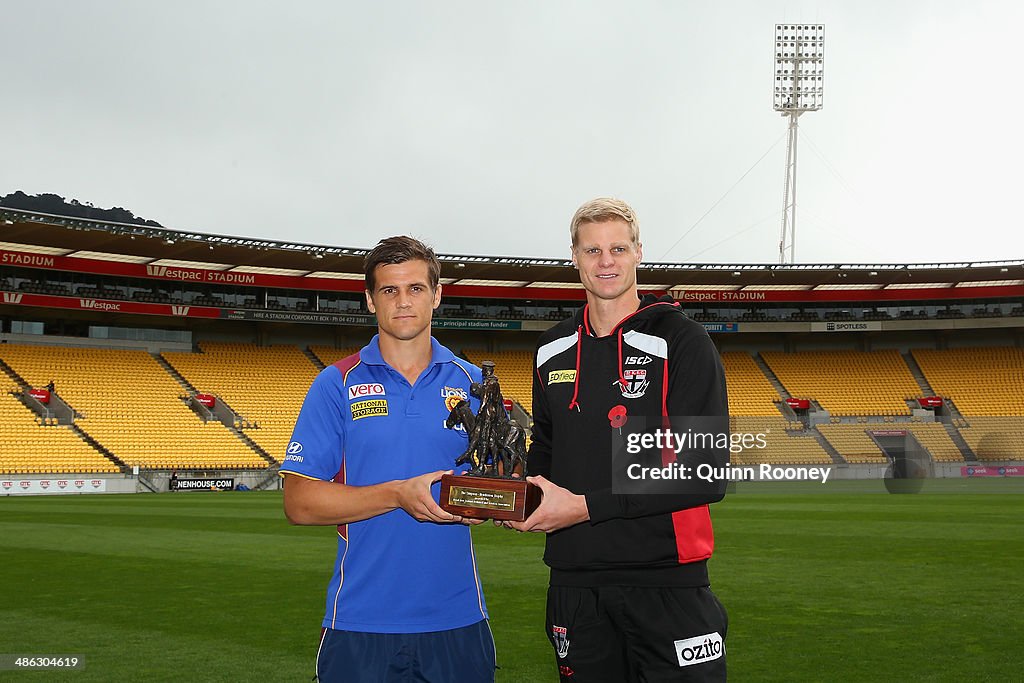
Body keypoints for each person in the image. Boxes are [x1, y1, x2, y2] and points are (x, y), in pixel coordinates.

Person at [511, 198, 730, 681]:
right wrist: (519, 496)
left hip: (667, 580)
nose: (605, 261)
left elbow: (704, 473)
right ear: (574, 257)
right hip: (574, 579)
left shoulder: (682, 340)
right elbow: (544, 449)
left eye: (617, 248)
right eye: (592, 250)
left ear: (638, 253)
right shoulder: (551, 349)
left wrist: (585, 506)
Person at [281, 236, 495, 683]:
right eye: (389, 290)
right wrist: (399, 494)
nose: (403, 302)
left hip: (456, 618)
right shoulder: (335, 382)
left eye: (416, 288)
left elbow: (499, 480)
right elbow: (299, 502)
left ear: (437, 295)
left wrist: (494, 500)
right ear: (369, 299)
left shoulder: (476, 384)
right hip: (360, 621)